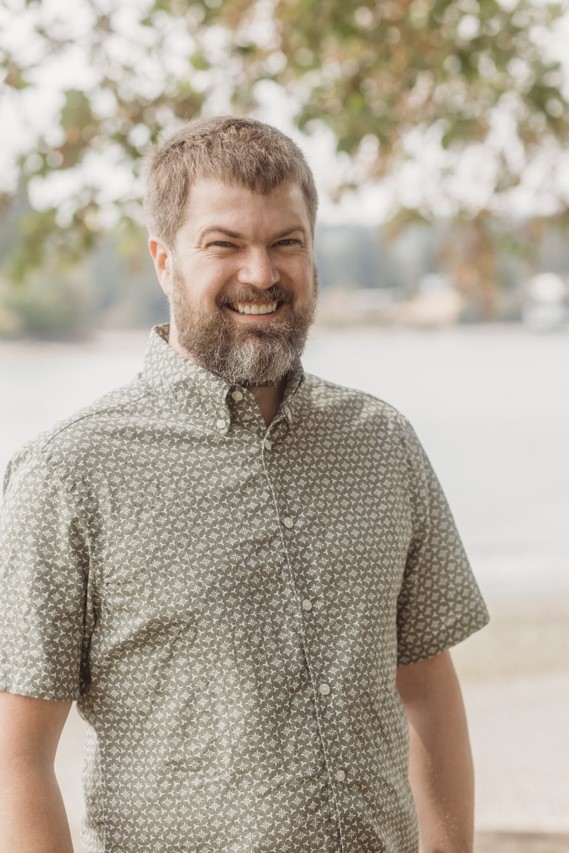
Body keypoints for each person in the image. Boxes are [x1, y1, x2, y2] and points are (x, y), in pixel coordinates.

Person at [0, 116, 489, 853]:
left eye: (285, 242)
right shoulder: (69, 475)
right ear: (164, 261)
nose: (261, 273)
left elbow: (426, 692)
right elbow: (17, 756)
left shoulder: (380, 443)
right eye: (223, 244)